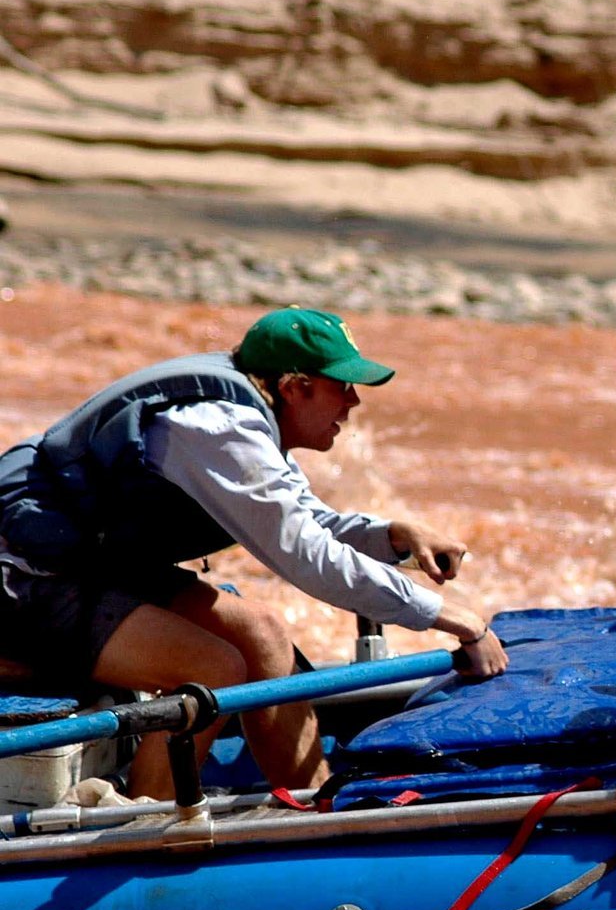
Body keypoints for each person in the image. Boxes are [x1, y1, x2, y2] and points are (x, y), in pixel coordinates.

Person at [0, 308, 509, 799]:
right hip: (28, 577)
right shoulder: (216, 429)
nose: (353, 402)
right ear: (294, 387)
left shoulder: (246, 419)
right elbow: (306, 554)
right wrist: (452, 618)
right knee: (212, 667)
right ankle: (143, 829)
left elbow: (309, 521)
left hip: (93, 565)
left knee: (260, 634)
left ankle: (313, 808)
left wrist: (395, 536)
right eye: (342, 387)